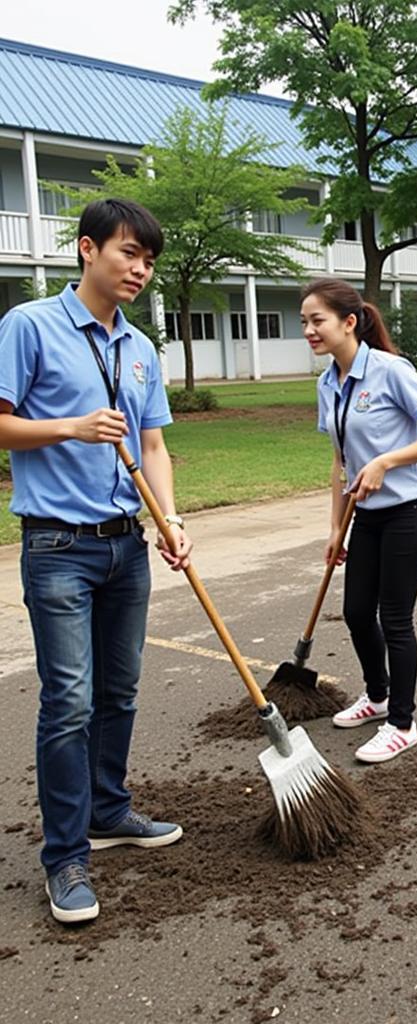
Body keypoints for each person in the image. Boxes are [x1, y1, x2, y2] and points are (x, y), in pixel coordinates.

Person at [0, 198, 192, 925]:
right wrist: (70, 428)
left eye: (148, 259)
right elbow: (1, 423)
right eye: (128, 253)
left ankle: (110, 811)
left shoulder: (139, 348)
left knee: (119, 691)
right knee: (69, 700)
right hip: (58, 546)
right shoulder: (29, 327)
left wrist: (170, 519)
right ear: (87, 249)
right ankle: (65, 856)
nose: (140, 268)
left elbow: (152, 448)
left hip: (127, 544)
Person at [303, 279, 417, 760]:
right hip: (364, 515)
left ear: (349, 323)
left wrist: (387, 461)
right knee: (354, 613)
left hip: (409, 511)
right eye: (304, 321)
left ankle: (402, 723)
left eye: (317, 320)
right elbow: (340, 463)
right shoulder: (327, 384)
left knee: (394, 618)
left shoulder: (391, 371)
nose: (308, 330)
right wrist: (335, 528)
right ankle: (377, 695)